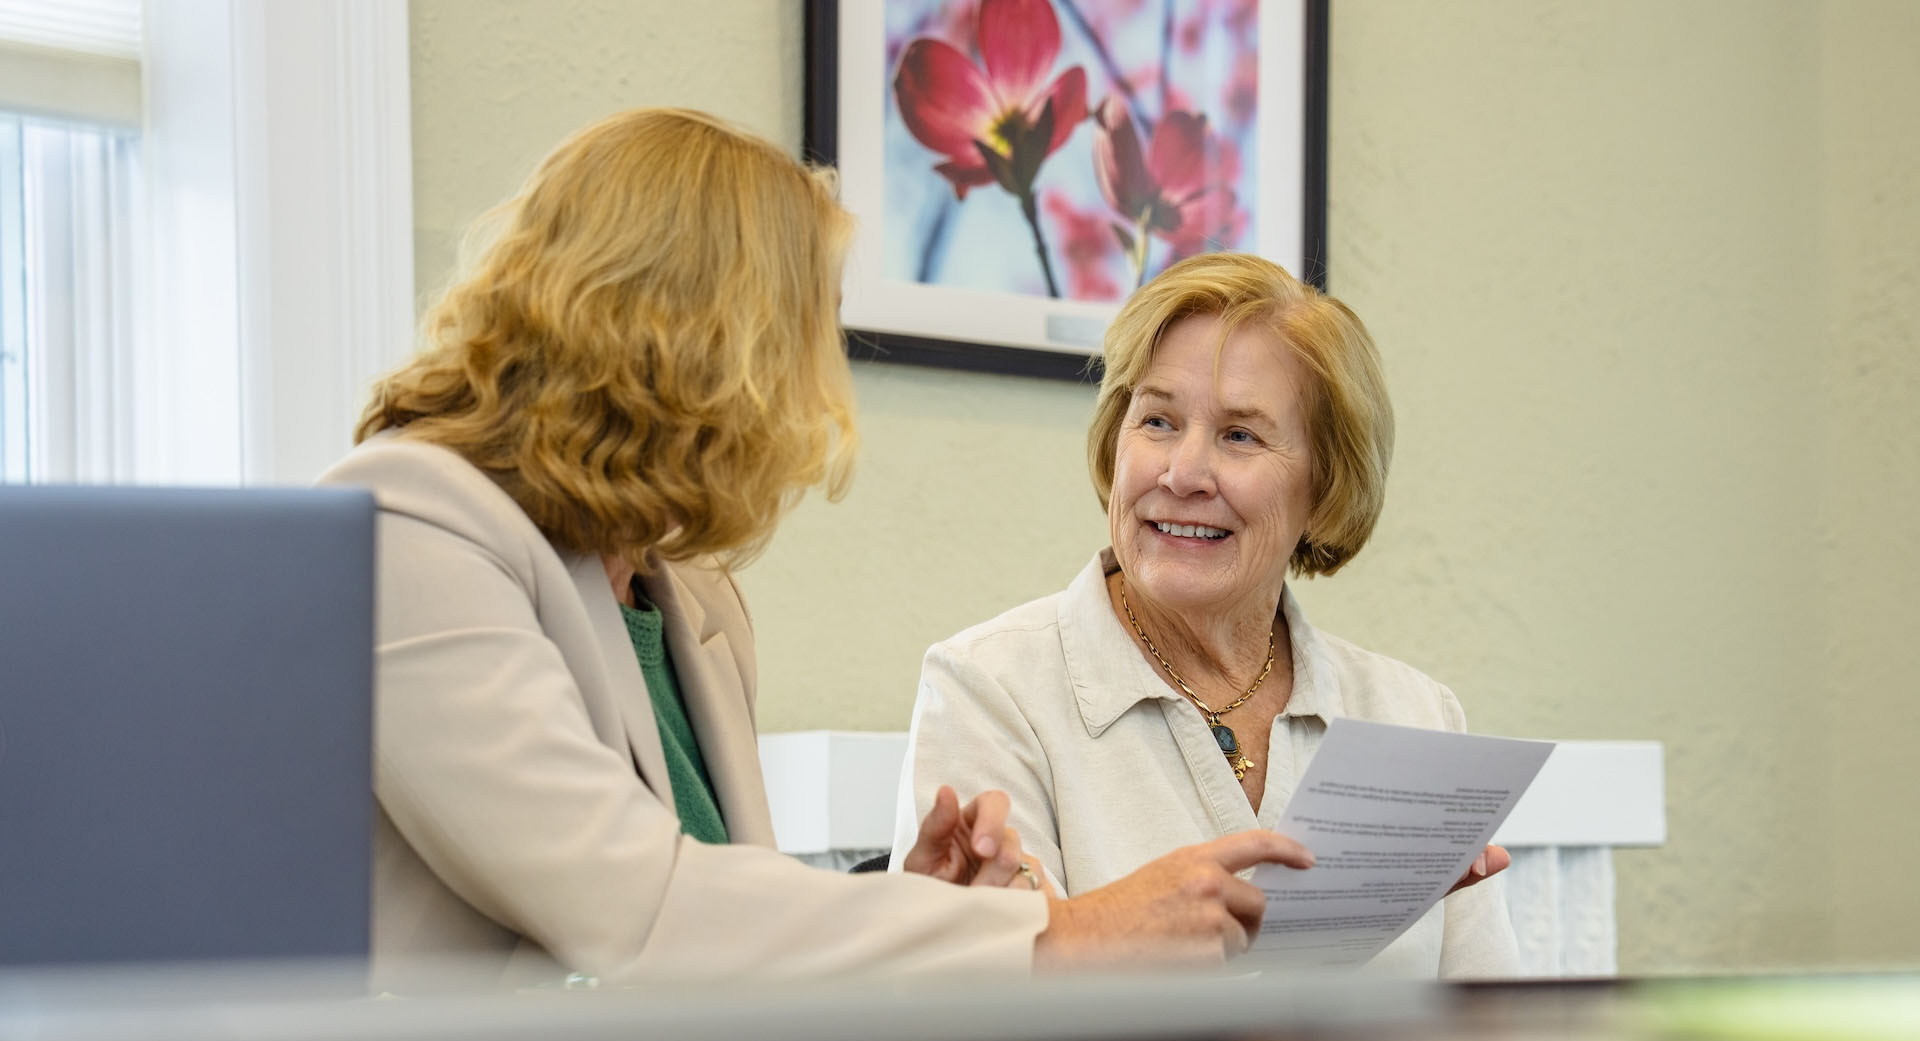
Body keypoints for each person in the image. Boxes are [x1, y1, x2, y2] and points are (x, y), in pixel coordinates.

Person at [319, 109, 1313, 988]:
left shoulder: (689, 593)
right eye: (806, 326)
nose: (817, 372)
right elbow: (635, 908)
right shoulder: (408, 524)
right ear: (694, 337)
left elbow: (721, 928)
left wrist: (926, 908)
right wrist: (1059, 931)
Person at [890, 252, 1520, 978]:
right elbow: (979, 1023)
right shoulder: (989, 689)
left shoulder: (1414, 714)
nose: (1182, 474)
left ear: (1326, 485)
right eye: (1157, 420)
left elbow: (1490, 1028)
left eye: (1240, 435)